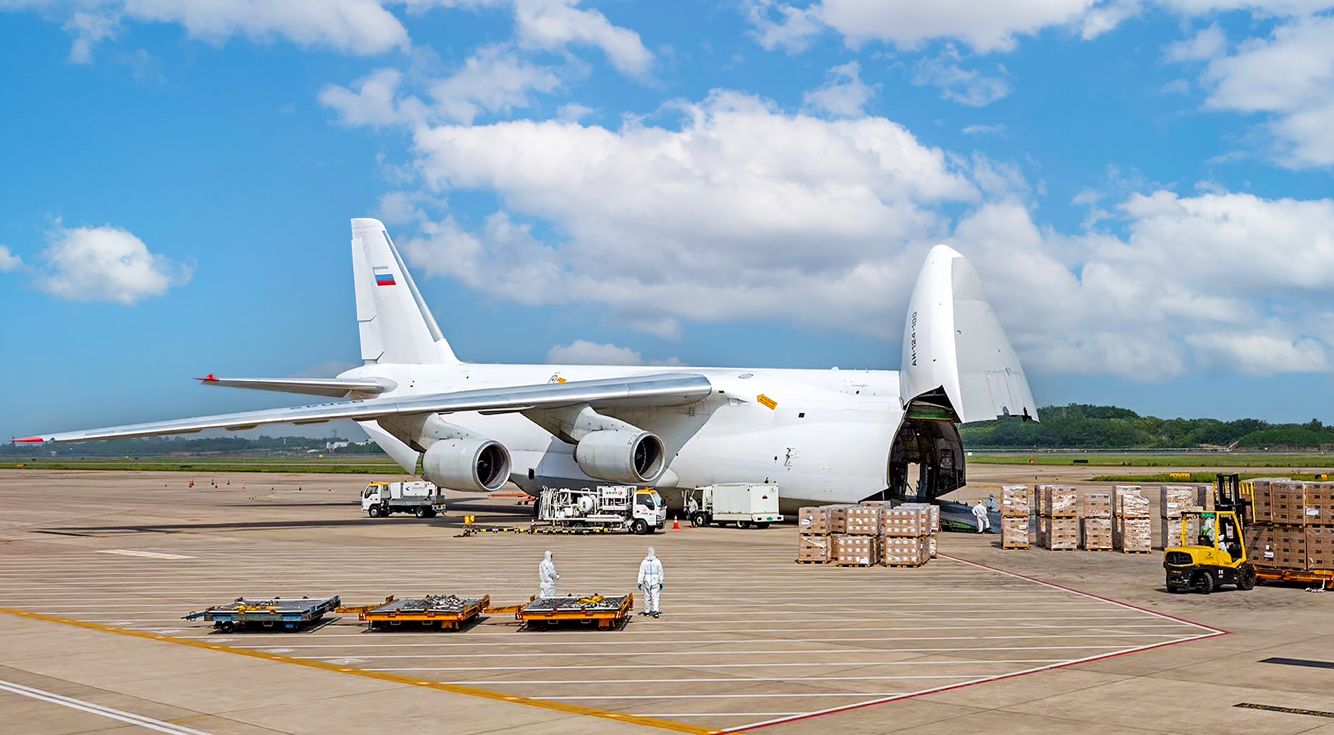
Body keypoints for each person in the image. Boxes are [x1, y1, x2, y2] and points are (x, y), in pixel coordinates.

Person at [637, 547, 665, 618]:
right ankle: (655, 611)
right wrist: (661, 581)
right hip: (655, 580)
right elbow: (660, 572)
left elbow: (641, 572)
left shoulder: (644, 562)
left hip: (646, 580)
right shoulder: (657, 561)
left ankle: (647, 611)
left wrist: (640, 582)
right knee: (655, 597)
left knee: (647, 596)